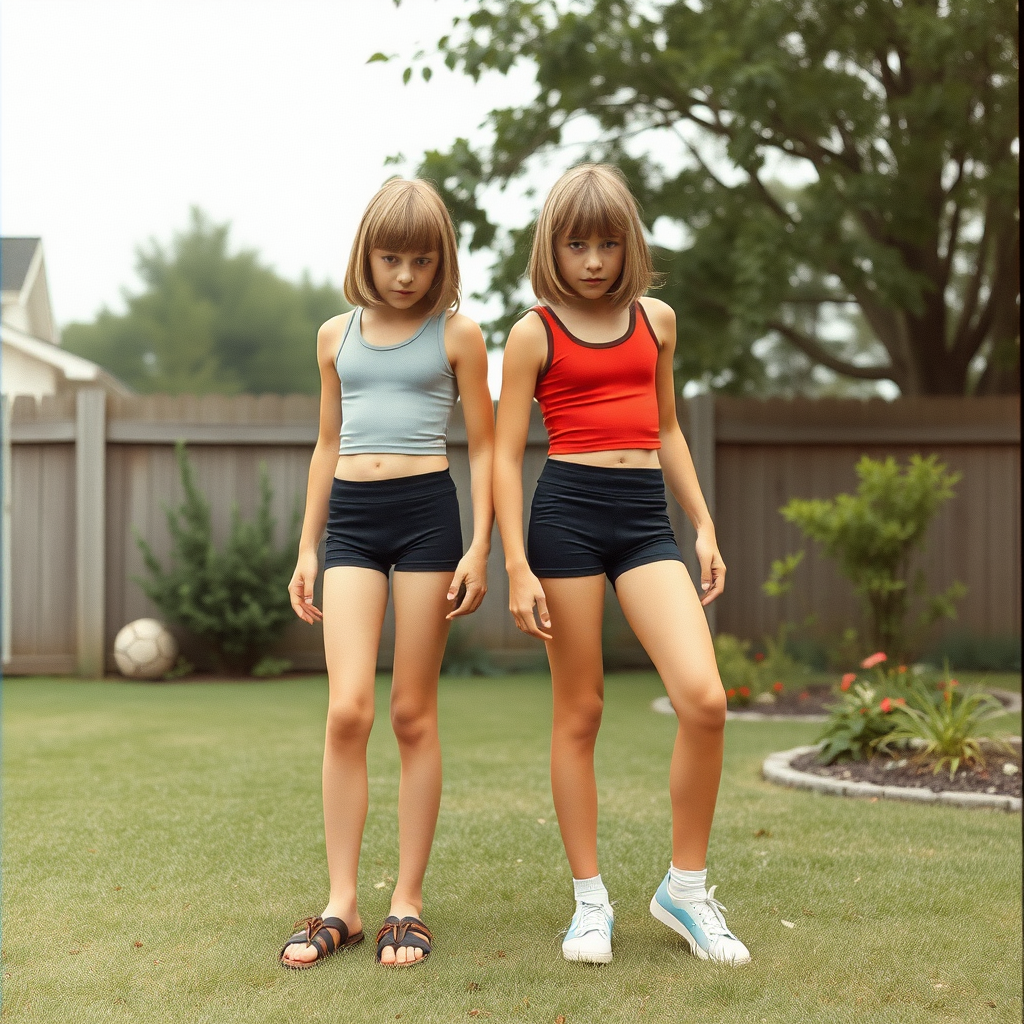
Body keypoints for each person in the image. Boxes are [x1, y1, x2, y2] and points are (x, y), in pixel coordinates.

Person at [493, 164, 749, 966]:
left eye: (608, 242)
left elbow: (667, 428)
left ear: (629, 244)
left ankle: (686, 889)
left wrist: (703, 525)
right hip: (564, 513)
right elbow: (502, 457)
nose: (595, 260)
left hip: (644, 521)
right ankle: (589, 904)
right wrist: (515, 566)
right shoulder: (534, 332)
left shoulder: (658, 322)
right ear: (554, 248)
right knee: (581, 711)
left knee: (704, 700)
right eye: (578, 244)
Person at [279, 178, 494, 969]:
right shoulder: (335, 337)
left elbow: (487, 449)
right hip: (353, 527)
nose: (405, 274)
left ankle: (408, 900)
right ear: (366, 255)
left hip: (428, 518)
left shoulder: (459, 336)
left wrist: (480, 547)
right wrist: (308, 547)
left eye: (421, 259)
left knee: (411, 712)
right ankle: (342, 904)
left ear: (442, 262)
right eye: (390, 257)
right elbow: (327, 443)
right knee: (347, 710)